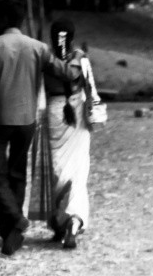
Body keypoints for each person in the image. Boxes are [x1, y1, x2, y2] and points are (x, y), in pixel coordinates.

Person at [0, 0, 79, 257]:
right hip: (26, 122)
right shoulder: (38, 47)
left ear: (1, 20)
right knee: (16, 174)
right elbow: (66, 72)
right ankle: (11, 236)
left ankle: (15, 220)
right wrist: (78, 63)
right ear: (21, 21)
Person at [29, 18, 102, 249]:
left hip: (53, 112)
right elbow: (92, 89)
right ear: (70, 37)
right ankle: (73, 220)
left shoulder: (44, 60)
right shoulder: (81, 58)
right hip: (77, 113)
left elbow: (35, 89)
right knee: (78, 169)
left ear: (53, 37)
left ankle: (58, 223)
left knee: (56, 169)